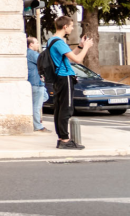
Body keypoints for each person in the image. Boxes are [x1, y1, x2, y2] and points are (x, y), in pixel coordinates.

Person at [47, 16, 92, 150]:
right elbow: (77, 60)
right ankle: (65, 140)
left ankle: (62, 138)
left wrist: (80, 46)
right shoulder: (59, 42)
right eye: (71, 26)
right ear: (65, 26)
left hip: (59, 77)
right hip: (64, 77)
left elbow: (69, 57)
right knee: (66, 108)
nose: (72, 28)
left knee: (60, 108)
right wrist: (87, 47)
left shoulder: (53, 40)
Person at [26, 37, 48, 132]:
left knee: (44, 97)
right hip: (37, 82)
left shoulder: (27, 53)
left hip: (37, 82)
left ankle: (35, 118)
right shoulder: (32, 53)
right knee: (37, 106)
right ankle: (38, 126)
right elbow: (44, 63)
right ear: (31, 44)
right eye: (37, 43)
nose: (38, 45)